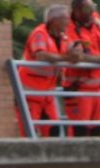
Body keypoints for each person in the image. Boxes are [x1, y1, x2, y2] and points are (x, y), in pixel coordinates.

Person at [62, 0, 100, 136]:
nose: (91, 13)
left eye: (92, 9)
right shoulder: (68, 28)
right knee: (80, 132)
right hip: (80, 89)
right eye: (87, 10)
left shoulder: (96, 20)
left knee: (98, 131)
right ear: (77, 11)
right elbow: (78, 57)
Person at [19, 5, 74, 135]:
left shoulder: (63, 37)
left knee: (53, 129)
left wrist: (77, 53)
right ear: (54, 20)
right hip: (30, 92)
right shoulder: (40, 34)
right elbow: (41, 55)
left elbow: (71, 51)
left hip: (47, 93)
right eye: (65, 18)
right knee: (30, 131)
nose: (68, 22)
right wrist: (66, 57)